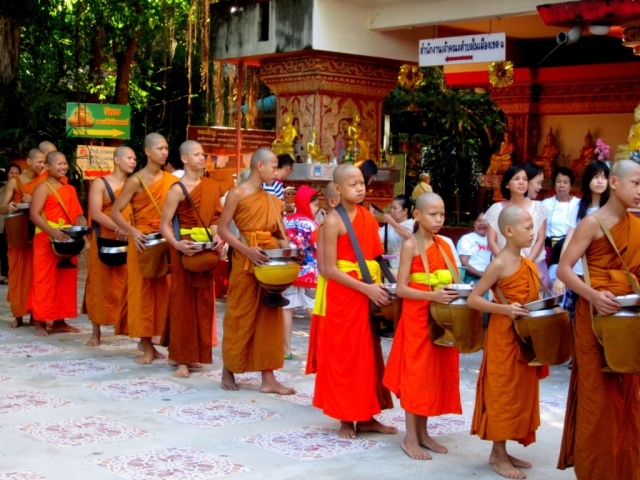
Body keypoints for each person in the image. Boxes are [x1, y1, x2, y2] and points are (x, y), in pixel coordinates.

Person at [556, 159, 640, 479]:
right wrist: (592, 296)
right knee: (597, 394)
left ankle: (626, 468)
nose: (639, 191)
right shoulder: (592, 223)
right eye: (635, 183)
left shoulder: (637, 226)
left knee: (628, 392)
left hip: (628, 319)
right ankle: (595, 469)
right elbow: (564, 269)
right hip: (594, 319)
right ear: (615, 183)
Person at [312, 163, 396, 439]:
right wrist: (366, 289)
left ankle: (368, 416)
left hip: (365, 294)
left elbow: (375, 258)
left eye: (362, 183)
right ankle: (346, 419)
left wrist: (387, 285)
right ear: (337, 188)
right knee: (344, 356)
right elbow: (328, 269)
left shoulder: (368, 218)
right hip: (343, 298)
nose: (360, 188)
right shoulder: (333, 221)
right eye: (353, 184)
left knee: (367, 356)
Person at [467, 205, 548, 480]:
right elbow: (474, 299)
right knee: (502, 392)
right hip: (503, 334)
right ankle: (499, 455)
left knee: (519, 392)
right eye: (527, 227)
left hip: (525, 335)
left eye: (533, 226)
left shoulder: (527, 263)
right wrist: (506, 310)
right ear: (509, 231)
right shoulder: (499, 263)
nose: (532, 232)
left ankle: (501, 451)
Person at [383, 192, 462, 460]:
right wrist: (432, 295)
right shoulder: (411, 245)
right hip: (417, 318)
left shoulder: (444, 245)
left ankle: (425, 433)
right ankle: (410, 437)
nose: (439, 219)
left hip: (441, 318)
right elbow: (402, 289)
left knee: (433, 373)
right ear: (417, 215)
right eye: (433, 214)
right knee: (416, 374)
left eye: (442, 214)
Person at [217, 147, 296, 395]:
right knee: (239, 315)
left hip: (269, 264)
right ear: (259, 166)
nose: (276, 172)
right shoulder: (236, 194)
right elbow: (223, 230)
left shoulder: (274, 201)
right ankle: (229, 369)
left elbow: (280, 235)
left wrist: (290, 251)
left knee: (268, 320)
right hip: (245, 260)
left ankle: (268, 377)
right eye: (273, 167)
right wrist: (246, 250)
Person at [111, 132, 178, 364]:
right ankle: (147, 345)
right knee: (142, 294)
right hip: (141, 243)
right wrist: (132, 231)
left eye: (166, 148)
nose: (164, 152)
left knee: (163, 293)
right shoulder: (135, 181)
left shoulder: (171, 181)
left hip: (164, 242)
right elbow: (115, 211)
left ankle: (156, 340)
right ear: (147, 152)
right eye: (159, 148)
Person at [159, 140, 223, 378]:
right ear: (184, 159)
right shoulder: (177, 189)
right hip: (184, 249)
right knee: (182, 303)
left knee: (203, 302)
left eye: (202, 154)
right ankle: (180, 359)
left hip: (205, 248)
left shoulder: (211, 186)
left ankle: (194, 353)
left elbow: (215, 218)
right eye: (196, 154)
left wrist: (218, 238)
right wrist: (177, 245)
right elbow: (163, 225)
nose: (201, 158)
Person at [82, 146, 136, 346]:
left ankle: (131, 326)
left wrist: (129, 230)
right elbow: (96, 213)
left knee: (128, 283)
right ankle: (96, 332)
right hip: (104, 238)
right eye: (129, 158)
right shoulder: (100, 183)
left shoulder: (135, 184)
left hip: (128, 238)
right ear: (117, 160)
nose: (133, 162)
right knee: (99, 284)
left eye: (135, 159)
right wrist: (119, 226)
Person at [27, 152, 83, 337]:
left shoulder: (69, 188)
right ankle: (40, 321)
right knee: (44, 280)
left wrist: (81, 234)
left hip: (67, 238)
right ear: (48, 167)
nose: (62, 167)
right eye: (58, 164)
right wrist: (52, 232)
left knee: (65, 281)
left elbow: (76, 215)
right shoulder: (42, 187)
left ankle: (60, 321)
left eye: (65, 163)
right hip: (46, 237)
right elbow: (34, 214)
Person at [552, 161, 610, 314]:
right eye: (596, 177)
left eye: (604, 178)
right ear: (587, 180)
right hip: (578, 271)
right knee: (575, 318)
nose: (600, 181)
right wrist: (562, 272)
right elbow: (569, 241)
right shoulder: (578, 208)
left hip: (603, 272)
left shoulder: (611, 207)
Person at [0, 149, 47, 328]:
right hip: (18, 230)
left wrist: (34, 198)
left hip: (36, 231)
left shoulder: (43, 182)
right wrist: (10, 206)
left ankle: (36, 313)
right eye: (39, 162)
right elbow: (2, 209)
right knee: (18, 274)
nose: (42, 165)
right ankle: (18, 314)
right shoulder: (14, 182)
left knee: (36, 275)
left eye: (44, 162)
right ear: (28, 161)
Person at [485, 165, 550, 290]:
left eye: (525, 179)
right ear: (507, 184)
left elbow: (540, 239)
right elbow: (492, 242)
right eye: (516, 179)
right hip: (504, 267)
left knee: (533, 304)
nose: (522, 182)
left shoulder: (538, 207)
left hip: (533, 264)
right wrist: (507, 262)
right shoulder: (495, 209)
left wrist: (526, 264)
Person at [306, 181, 340, 376]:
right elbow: (326, 268)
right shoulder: (326, 225)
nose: (360, 189)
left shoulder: (362, 222)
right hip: (334, 285)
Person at [282, 185, 319, 360]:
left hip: (289, 271)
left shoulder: (286, 221)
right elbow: (319, 247)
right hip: (309, 273)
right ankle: (320, 347)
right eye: (314, 205)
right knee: (314, 309)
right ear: (306, 204)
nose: (317, 208)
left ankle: (286, 350)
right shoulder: (312, 225)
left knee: (287, 309)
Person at [541, 167, 580, 280]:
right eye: (558, 182)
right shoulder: (546, 204)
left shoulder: (579, 204)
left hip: (571, 249)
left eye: (565, 182)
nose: (561, 185)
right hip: (551, 250)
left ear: (571, 185)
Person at [376, 194, 413, 271]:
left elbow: (408, 235)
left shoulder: (412, 224)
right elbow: (377, 238)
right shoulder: (389, 226)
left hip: (408, 270)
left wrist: (391, 222)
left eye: (395, 208)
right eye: (391, 208)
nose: (392, 211)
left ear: (405, 211)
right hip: (391, 268)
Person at [457, 209, 491, 283]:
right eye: (478, 220)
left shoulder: (493, 240)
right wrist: (482, 276)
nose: (482, 223)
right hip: (473, 277)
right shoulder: (467, 239)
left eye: (485, 220)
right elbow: (464, 264)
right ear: (473, 222)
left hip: (492, 277)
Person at [0, 164, 20, 283]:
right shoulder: (2, 189)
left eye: (16, 173)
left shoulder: (23, 188)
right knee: (3, 250)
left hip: (17, 223)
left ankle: (13, 275)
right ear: (7, 174)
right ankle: (6, 274)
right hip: (3, 222)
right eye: (11, 172)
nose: (14, 175)